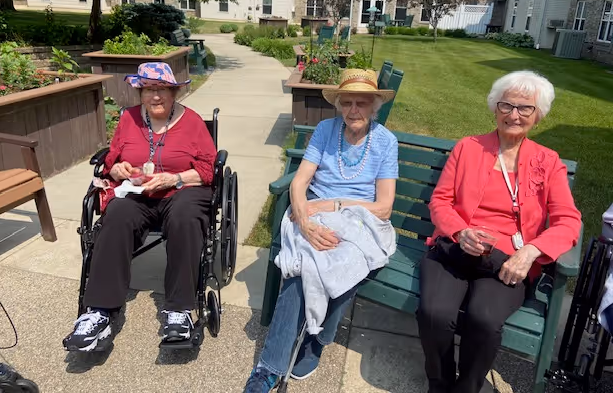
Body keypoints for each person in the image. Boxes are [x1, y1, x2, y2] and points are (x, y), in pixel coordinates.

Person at [417, 70, 582, 393]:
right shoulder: (468, 148)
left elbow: (568, 220)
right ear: (495, 107)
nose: (514, 114)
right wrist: (459, 231)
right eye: (507, 105)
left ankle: (466, 388)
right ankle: (439, 383)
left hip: (508, 263)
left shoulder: (548, 162)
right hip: (455, 249)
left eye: (525, 108)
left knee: (484, 319)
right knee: (434, 312)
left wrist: (531, 252)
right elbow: (440, 201)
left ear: (538, 116)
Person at [244, 69, 398, 392]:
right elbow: (300, 182)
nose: (353, 110)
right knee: (305, 264)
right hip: (314, 211)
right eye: (347, 103)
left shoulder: (385, 142)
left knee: (342, 264)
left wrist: (335, 205)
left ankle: (317, 340)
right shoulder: (325, 130)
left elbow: (384, 207)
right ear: (339, 105)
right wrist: (303, 219)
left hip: (360, 220)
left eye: (362, 103)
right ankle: (270, 367)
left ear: (374, 107)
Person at [63, 62, 217, 352]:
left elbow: (209, 170)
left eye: (161, 90)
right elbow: (111, 161)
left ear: (173, 92)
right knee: (116, 215)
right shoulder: (129, 119)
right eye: (148, 90)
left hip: (181, 191)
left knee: (185, 217)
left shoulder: (193, 122)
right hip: (138, 193)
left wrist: (175, 178)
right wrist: (119, 169)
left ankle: (179, 310)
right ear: (140, 92)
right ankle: (98, 311)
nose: (155, 96)